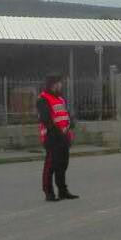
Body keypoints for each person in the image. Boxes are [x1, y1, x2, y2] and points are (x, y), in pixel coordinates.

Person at [37, 73, 78, 202]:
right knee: (50, 166)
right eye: (59, 83)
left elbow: (65, 115)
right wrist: (58, 132)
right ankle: (48, 192)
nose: (61, 85)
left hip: (64, 136)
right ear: (53, 84)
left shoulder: (61, 99)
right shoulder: (42, 98)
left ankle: (63, 191)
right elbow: (46, 119)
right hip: (52, 137)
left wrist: (71, 122)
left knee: (62, 164)